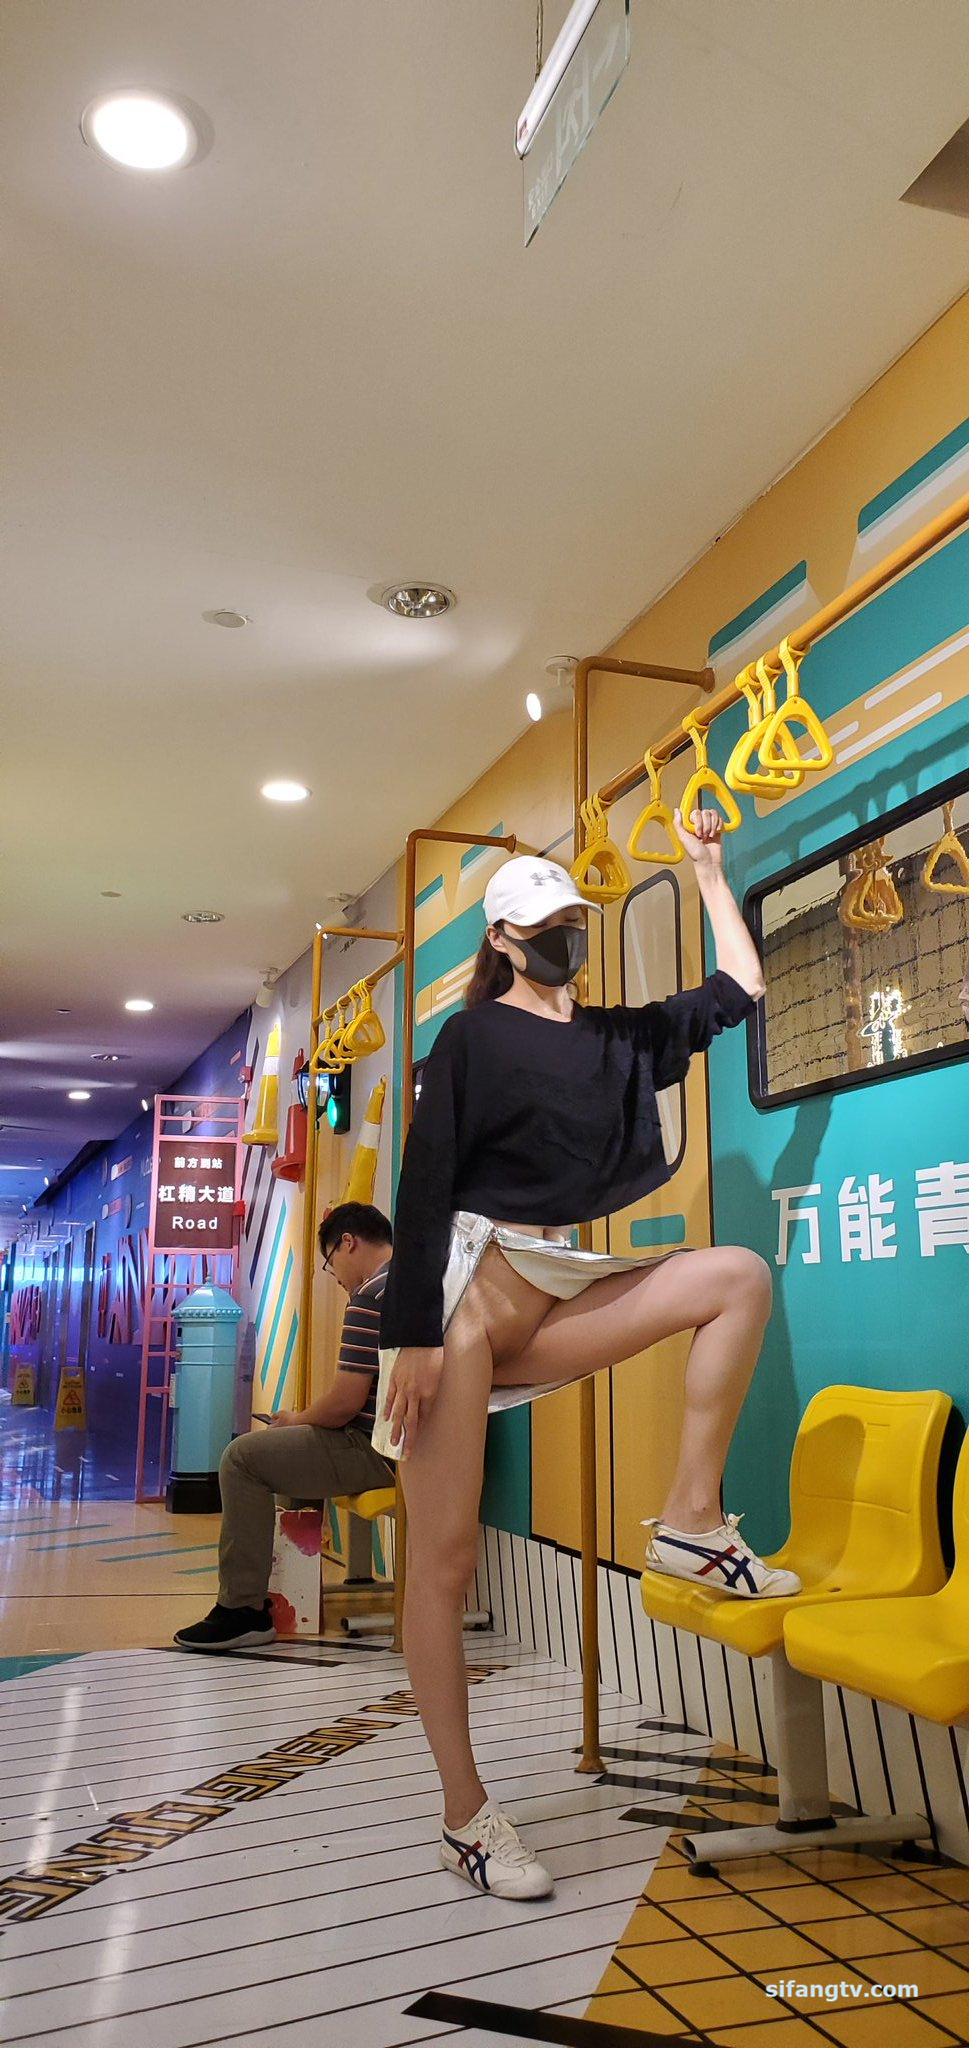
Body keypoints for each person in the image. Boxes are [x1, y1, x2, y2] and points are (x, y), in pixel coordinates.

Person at [377, 811, 801, 1900]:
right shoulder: (469, 1039)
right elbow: (424, 1183)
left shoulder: (616, 1038)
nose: (564, 936)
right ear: (502, 940)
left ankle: (694, 1523)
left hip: (548, 1287)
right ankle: (464, 1814)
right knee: (445, 1562)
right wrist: (411, 1334)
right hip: (462, 1304)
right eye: (542, 926)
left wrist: (707, 869)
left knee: (737, 1277)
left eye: (571, 919)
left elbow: (739, 988)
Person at [174, 1202, 394, 1652]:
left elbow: (344, 1404)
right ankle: (291, 1600)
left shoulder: (371, 1296)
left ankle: (243, 1610)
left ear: (348, 1242)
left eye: (331, 1263)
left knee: (242, 1459)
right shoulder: (421, 1285)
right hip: (418, 1448)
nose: (337, 1278)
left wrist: (296, 1418)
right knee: (288, 1453)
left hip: (377, 1450)